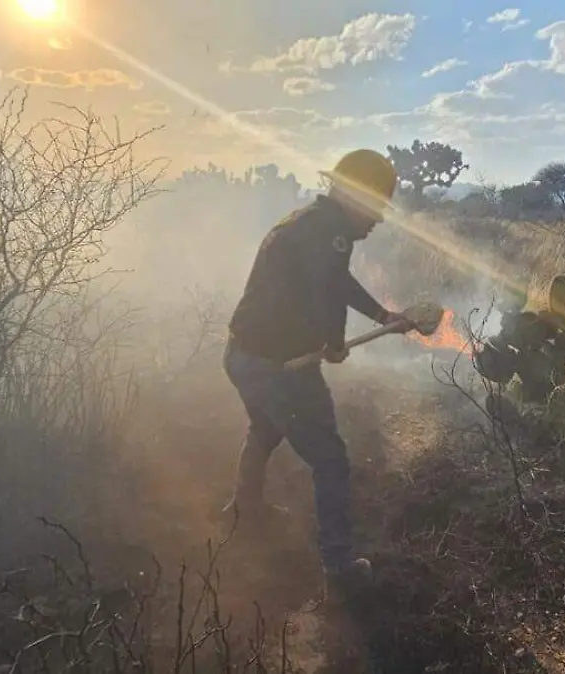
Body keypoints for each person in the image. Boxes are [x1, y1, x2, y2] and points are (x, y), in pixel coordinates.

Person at [222, 148, 412, 604]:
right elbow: (327, 291)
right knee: (330, 459)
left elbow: (336, 282)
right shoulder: (331, 234)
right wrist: (334, 343)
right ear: (353, 196)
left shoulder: (312, 224)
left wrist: (382, 315)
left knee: (264, 428)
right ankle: (340, 567)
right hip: (279, 366)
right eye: (376, 205)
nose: (378, 219)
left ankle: (244, 509)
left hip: (242, 356)